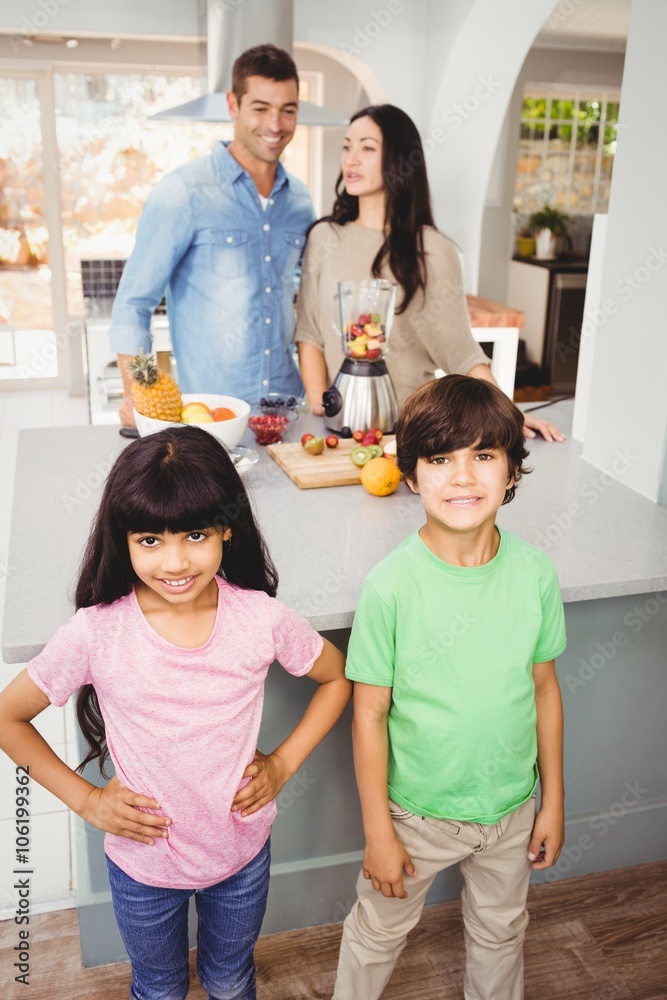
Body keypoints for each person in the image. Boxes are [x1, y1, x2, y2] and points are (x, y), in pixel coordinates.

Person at [0, 426, 351, 1000]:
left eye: (195, 534)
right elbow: (7, 717)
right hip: (143, 869)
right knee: (160, 988)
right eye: (150, 540)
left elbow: (337, 678)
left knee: (230, 980)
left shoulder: (260, 619)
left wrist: (284, 764)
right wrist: (88, 801)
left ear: (227, 528)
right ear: (124, 539)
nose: (176, 561)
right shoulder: (95, 633)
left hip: (241, 858)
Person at [332, 374, 566, 1000]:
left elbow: (545, 689)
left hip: (512, 807)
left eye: (483, 455)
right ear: (411, 476)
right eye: (440, 460)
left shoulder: (536, 575)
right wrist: (379, 833)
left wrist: (553, 800)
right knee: (378, 930)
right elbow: (368, 715)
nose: (463, 477)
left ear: (511, 470)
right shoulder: (390, 588)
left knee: (501, 930)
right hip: (415, 816)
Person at [295, 104, 564, 442]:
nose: (352, 159)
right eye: (347, 147)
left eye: (367, 148)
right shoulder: (324, 238)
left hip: (412, 430)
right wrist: (321, 409)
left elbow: (461, 353)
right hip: (337, 429)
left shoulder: (434, 250)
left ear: (399, 160)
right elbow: (309, 332)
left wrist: (510, 414)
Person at [109, 44, 315, 426]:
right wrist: (138, 397)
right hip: (210, 420)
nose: (275, 125)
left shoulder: (301, 201)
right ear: (233, 105)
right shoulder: (183, 192)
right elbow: (133, 304)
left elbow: (309, 306)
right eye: (260, 108)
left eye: (288, 110)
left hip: (290, 414)